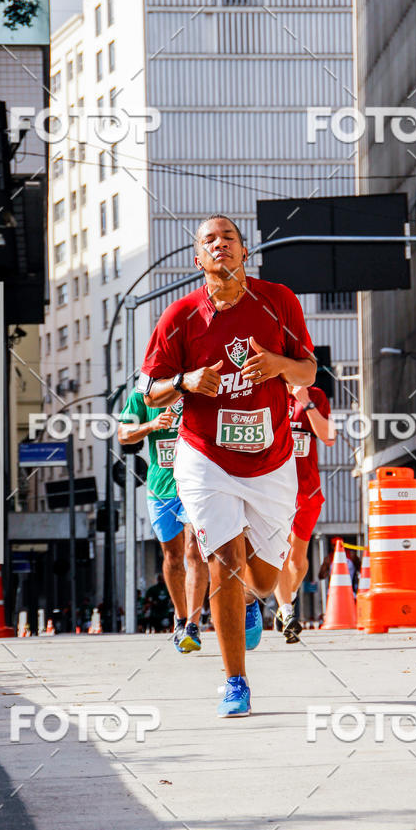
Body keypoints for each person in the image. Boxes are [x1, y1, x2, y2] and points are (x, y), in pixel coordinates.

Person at [139, 213, 316, 717]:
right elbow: (150, 393)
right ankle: (235, 681)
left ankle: (254, 601)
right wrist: (187, 382)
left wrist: (280, 366)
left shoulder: (278, 299)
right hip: (205, 458)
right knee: (224, 561)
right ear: (199, 259)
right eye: (209, 241)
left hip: (271, 459)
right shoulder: (180, 316)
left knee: (260, 578)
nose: (220, 245)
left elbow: (307, 368)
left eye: (229, 238)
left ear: (244, 253)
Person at [118, 390, 209, 652]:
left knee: (195, 552)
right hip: (160, 489)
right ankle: (180, 619)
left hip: (195, 486)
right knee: (172, 556)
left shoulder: (195, 386)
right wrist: (152, 425)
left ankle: (193, 624)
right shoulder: (142, 396)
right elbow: (124, 435)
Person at [274, 383, 337, 643]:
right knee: (279, 553)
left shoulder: (316, 394)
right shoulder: (268, 390)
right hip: (274, 487)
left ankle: (288, 597)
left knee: (298, 562)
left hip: (306, 490)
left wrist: (306, 402)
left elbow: (329, 437)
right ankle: (288, 612)